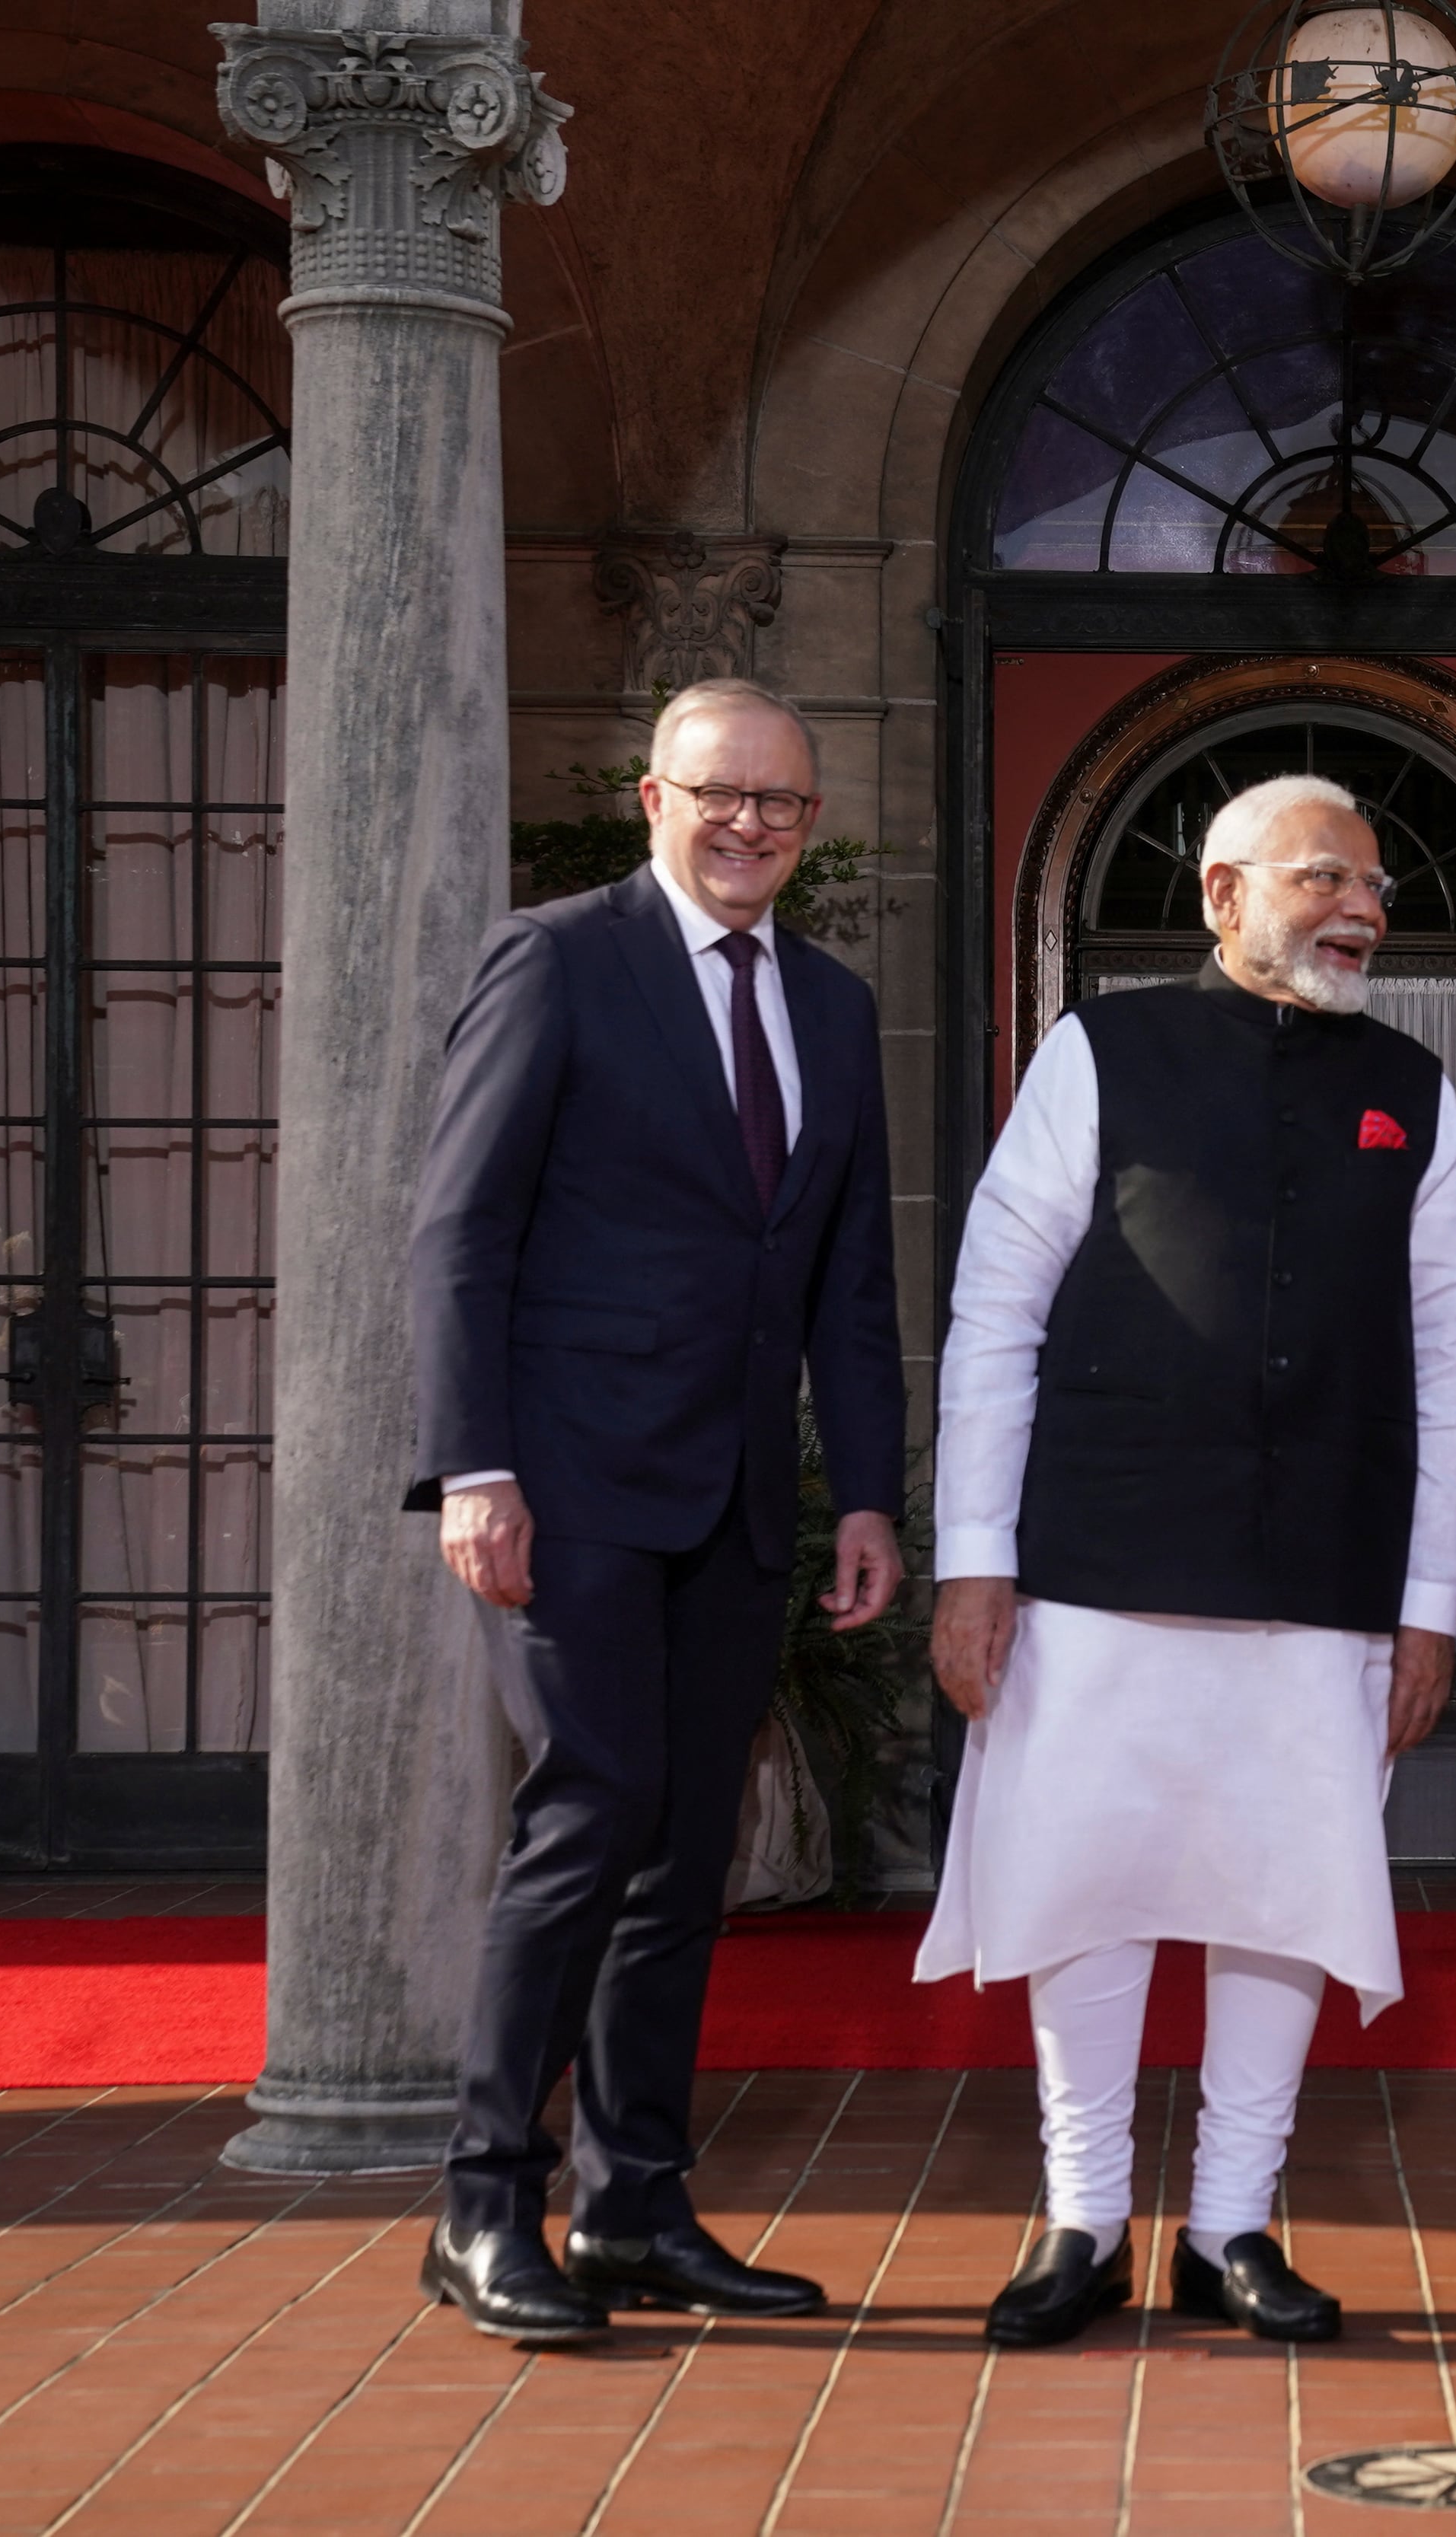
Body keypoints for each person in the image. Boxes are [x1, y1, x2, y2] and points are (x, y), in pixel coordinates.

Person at [917, 773, 1456, 2350]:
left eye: (1374, 884)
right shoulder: (1098, 1051)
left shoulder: (1414, 1085)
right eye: (1324, 876)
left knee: (1284, 1901)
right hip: (1096, 1556)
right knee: (1083, 1895)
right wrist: (973, 1559)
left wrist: (1432, 1599)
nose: (1360, 906)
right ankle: (1083, 2218)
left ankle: (1233, 2221)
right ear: (1225, 892)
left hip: (1326, 1573)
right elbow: (995, 1311)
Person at [405, 677, 907, 2344]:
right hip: (571, 1484)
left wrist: (872, 1494)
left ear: (809, 822)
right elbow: (459, 1230)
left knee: (687, 1848)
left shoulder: (832, 1009)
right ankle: (484, 2201)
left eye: (780, 800)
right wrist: (473, 1465)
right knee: (591, 1810)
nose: (749, 820)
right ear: (652, 797)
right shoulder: (558, 958)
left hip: (742, 1493)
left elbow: (849, 1279)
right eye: (720, 791)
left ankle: (632, 2201)